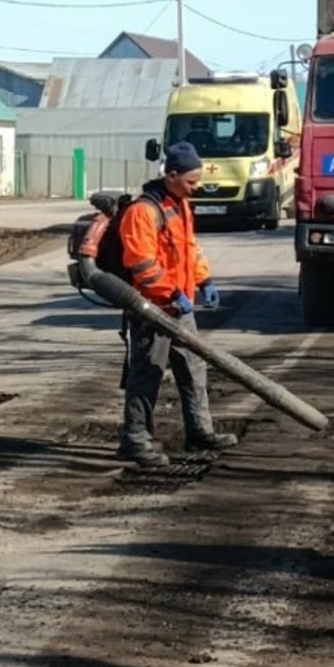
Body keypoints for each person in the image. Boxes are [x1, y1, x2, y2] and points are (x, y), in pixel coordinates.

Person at [115, 141, 235, 467]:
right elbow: (141, 265)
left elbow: (189, 249)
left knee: (194, 369)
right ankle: (136, 441)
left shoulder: (180, 205)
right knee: (147, 376)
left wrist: (204, 280)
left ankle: (200, 431)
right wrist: (170, 293)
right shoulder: (143, 212)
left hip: (179, 307)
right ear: (171, 175)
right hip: (151, 310)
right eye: (191, 181)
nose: (196, 188)